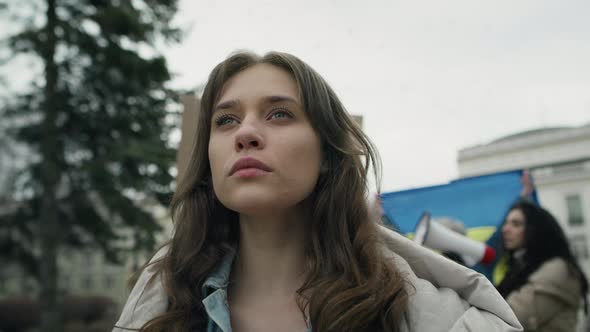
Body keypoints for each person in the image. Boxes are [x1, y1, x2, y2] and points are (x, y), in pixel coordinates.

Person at [112, 51, 522, 332]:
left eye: (279, 114)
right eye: (225, 120)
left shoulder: (419, 312)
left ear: (327, 154)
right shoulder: (163, 308)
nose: (247, 133)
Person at [497, 199, 589, 331]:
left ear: (536, 230)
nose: (505, 229)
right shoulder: (519, 268)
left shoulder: (558, 269)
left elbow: (510, 317)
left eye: (516, 224)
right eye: (506, 223)